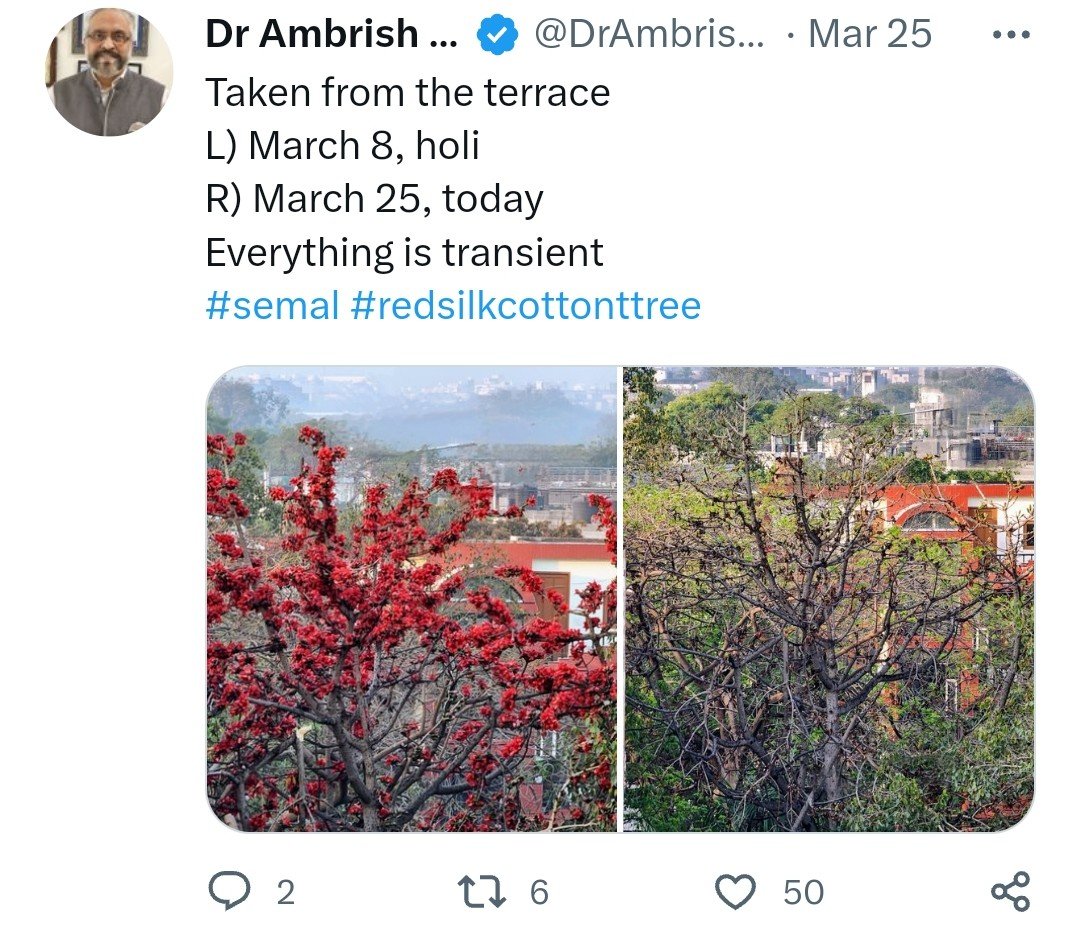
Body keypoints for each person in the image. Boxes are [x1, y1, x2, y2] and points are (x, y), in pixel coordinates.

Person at [51, 9, 165, 135]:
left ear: (131, 45)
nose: (108, 45)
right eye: (98, 35)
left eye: (119, 36)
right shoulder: (55, 96)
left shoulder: (160, 98)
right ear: (85, 42)